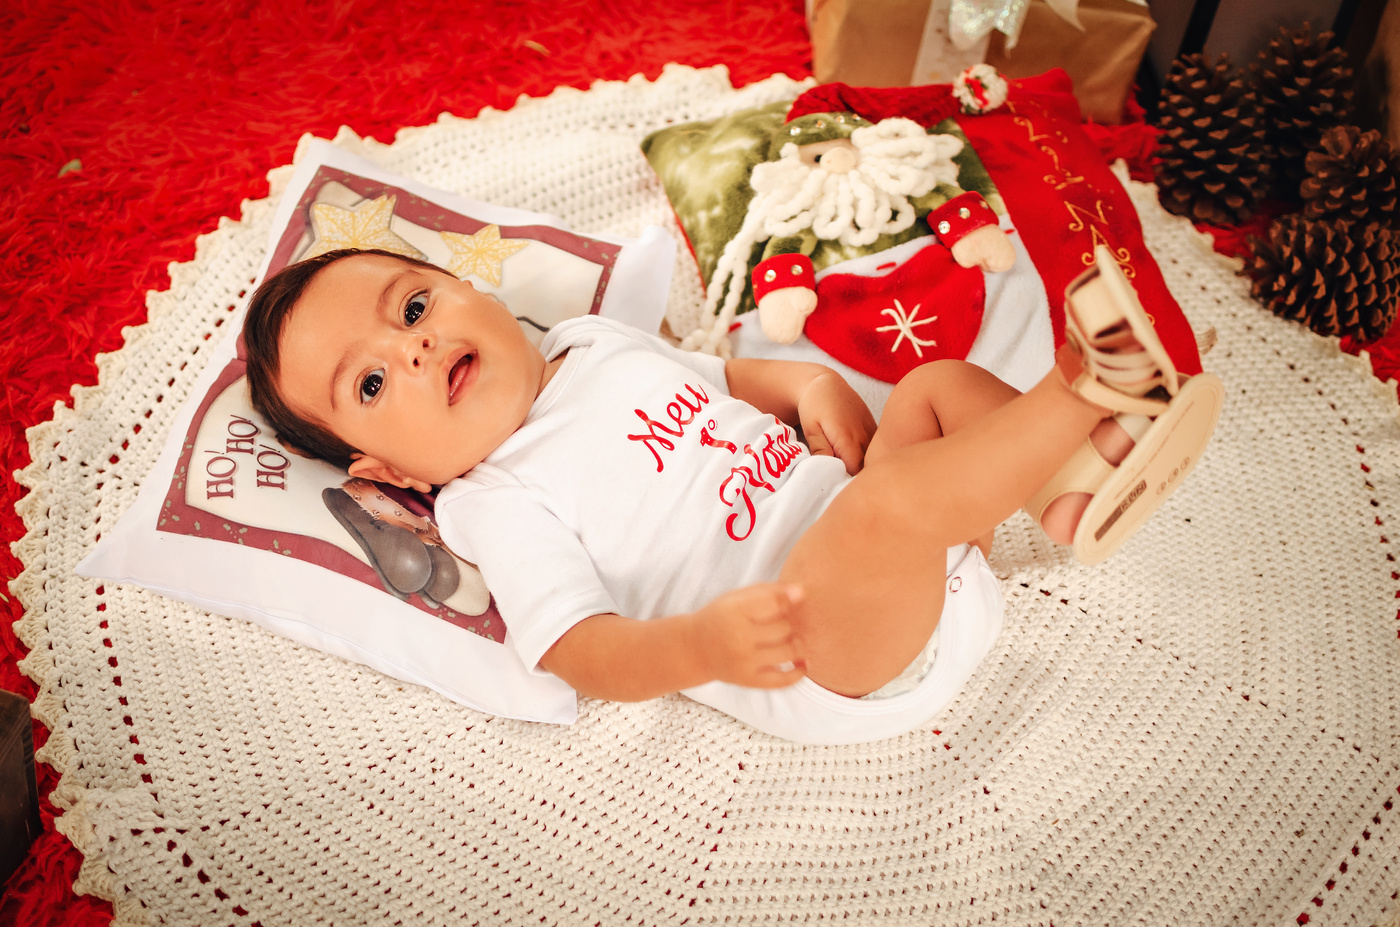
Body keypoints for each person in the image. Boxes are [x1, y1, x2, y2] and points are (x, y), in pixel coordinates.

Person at [241, 245, 1221, 744]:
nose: (413, 346)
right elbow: (580, 650)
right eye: (373, 383)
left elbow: (725, 378)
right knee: (882, 512)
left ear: (475, 292)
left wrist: (809, 386)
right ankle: (1087, 385)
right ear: (388, 473)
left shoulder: (591, 345)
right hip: (830, 649)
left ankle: (1067, 491)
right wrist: (700, 648)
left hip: (913, 551)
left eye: (414, 304)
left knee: (928, 391)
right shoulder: (489, 499)